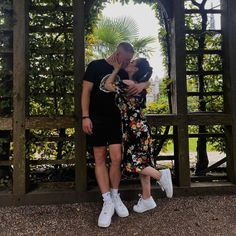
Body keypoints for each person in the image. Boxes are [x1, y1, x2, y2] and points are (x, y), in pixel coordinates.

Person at [81, 42, 150, 228]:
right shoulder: (95, 65)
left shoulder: (124, 72)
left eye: (130, 60)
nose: (128, 63)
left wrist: (144, 82)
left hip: (116, 122)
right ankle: (107, 201)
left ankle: (115, 194)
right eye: (126, 59)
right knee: (100, 158)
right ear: (118, 54)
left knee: (117, 158)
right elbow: (86, 91)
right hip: (96, 120)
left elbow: (143, 79)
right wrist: (85, 116)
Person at [100, 57, 173, 214]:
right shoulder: (140, 86)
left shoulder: (126, 85)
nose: (129, 63)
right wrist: (143, 83)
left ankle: (161, 175)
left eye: (132, 63)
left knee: (131, 163)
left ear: (136, 69)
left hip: (133, 129)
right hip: (141, 128)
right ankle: (147, 199)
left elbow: (106, 85)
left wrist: (115, 69)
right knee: (143, 162)